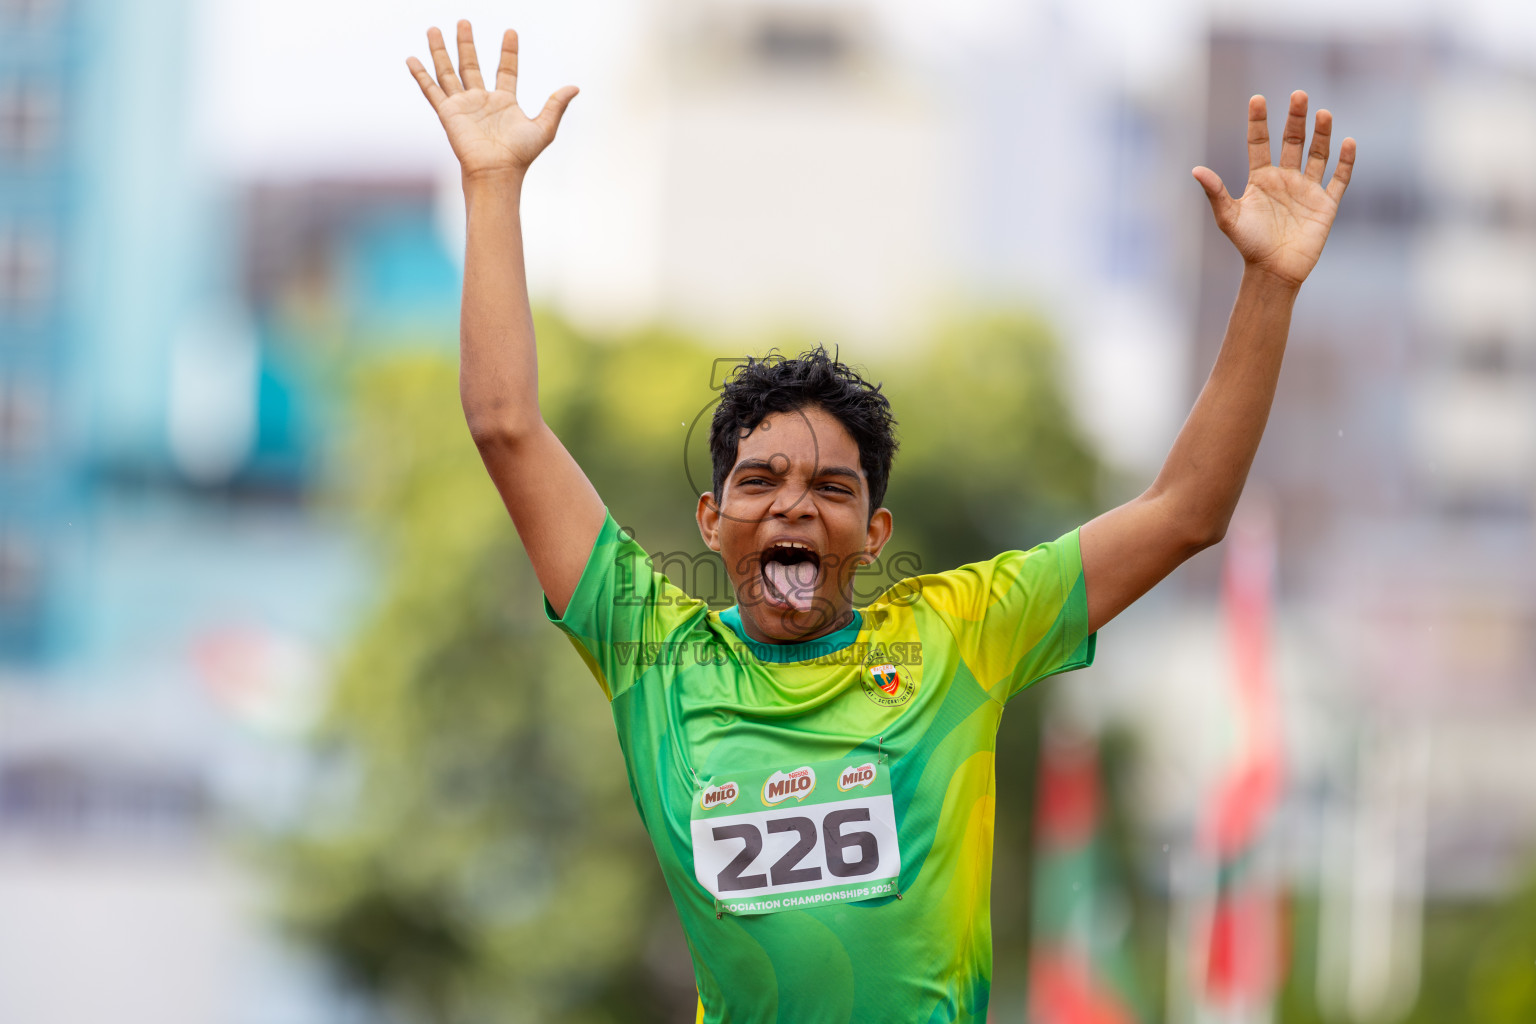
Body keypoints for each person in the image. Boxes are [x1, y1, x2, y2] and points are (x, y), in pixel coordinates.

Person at [406, 20, 1354, 1024]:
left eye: (831, 488)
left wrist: (1268, 286)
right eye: (761, 481)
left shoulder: (960, 633)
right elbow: (506, 427)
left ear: (874, 529)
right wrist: (492, 185)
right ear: (712, 519)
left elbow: (1186, 512)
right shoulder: (654, 655)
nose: (793, 506)